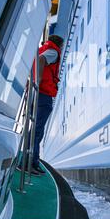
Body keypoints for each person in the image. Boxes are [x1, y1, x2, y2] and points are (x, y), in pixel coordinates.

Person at [30, 34, 64, 176]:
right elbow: (42, 60)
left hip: (38, 93)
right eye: (62, 46)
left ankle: (32, 161)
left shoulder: (44, 49)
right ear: (59, 44)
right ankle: (30, 163)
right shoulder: (53, 51)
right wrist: (38, 80)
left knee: (36, 129)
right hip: (43, 94)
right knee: (37, 130)